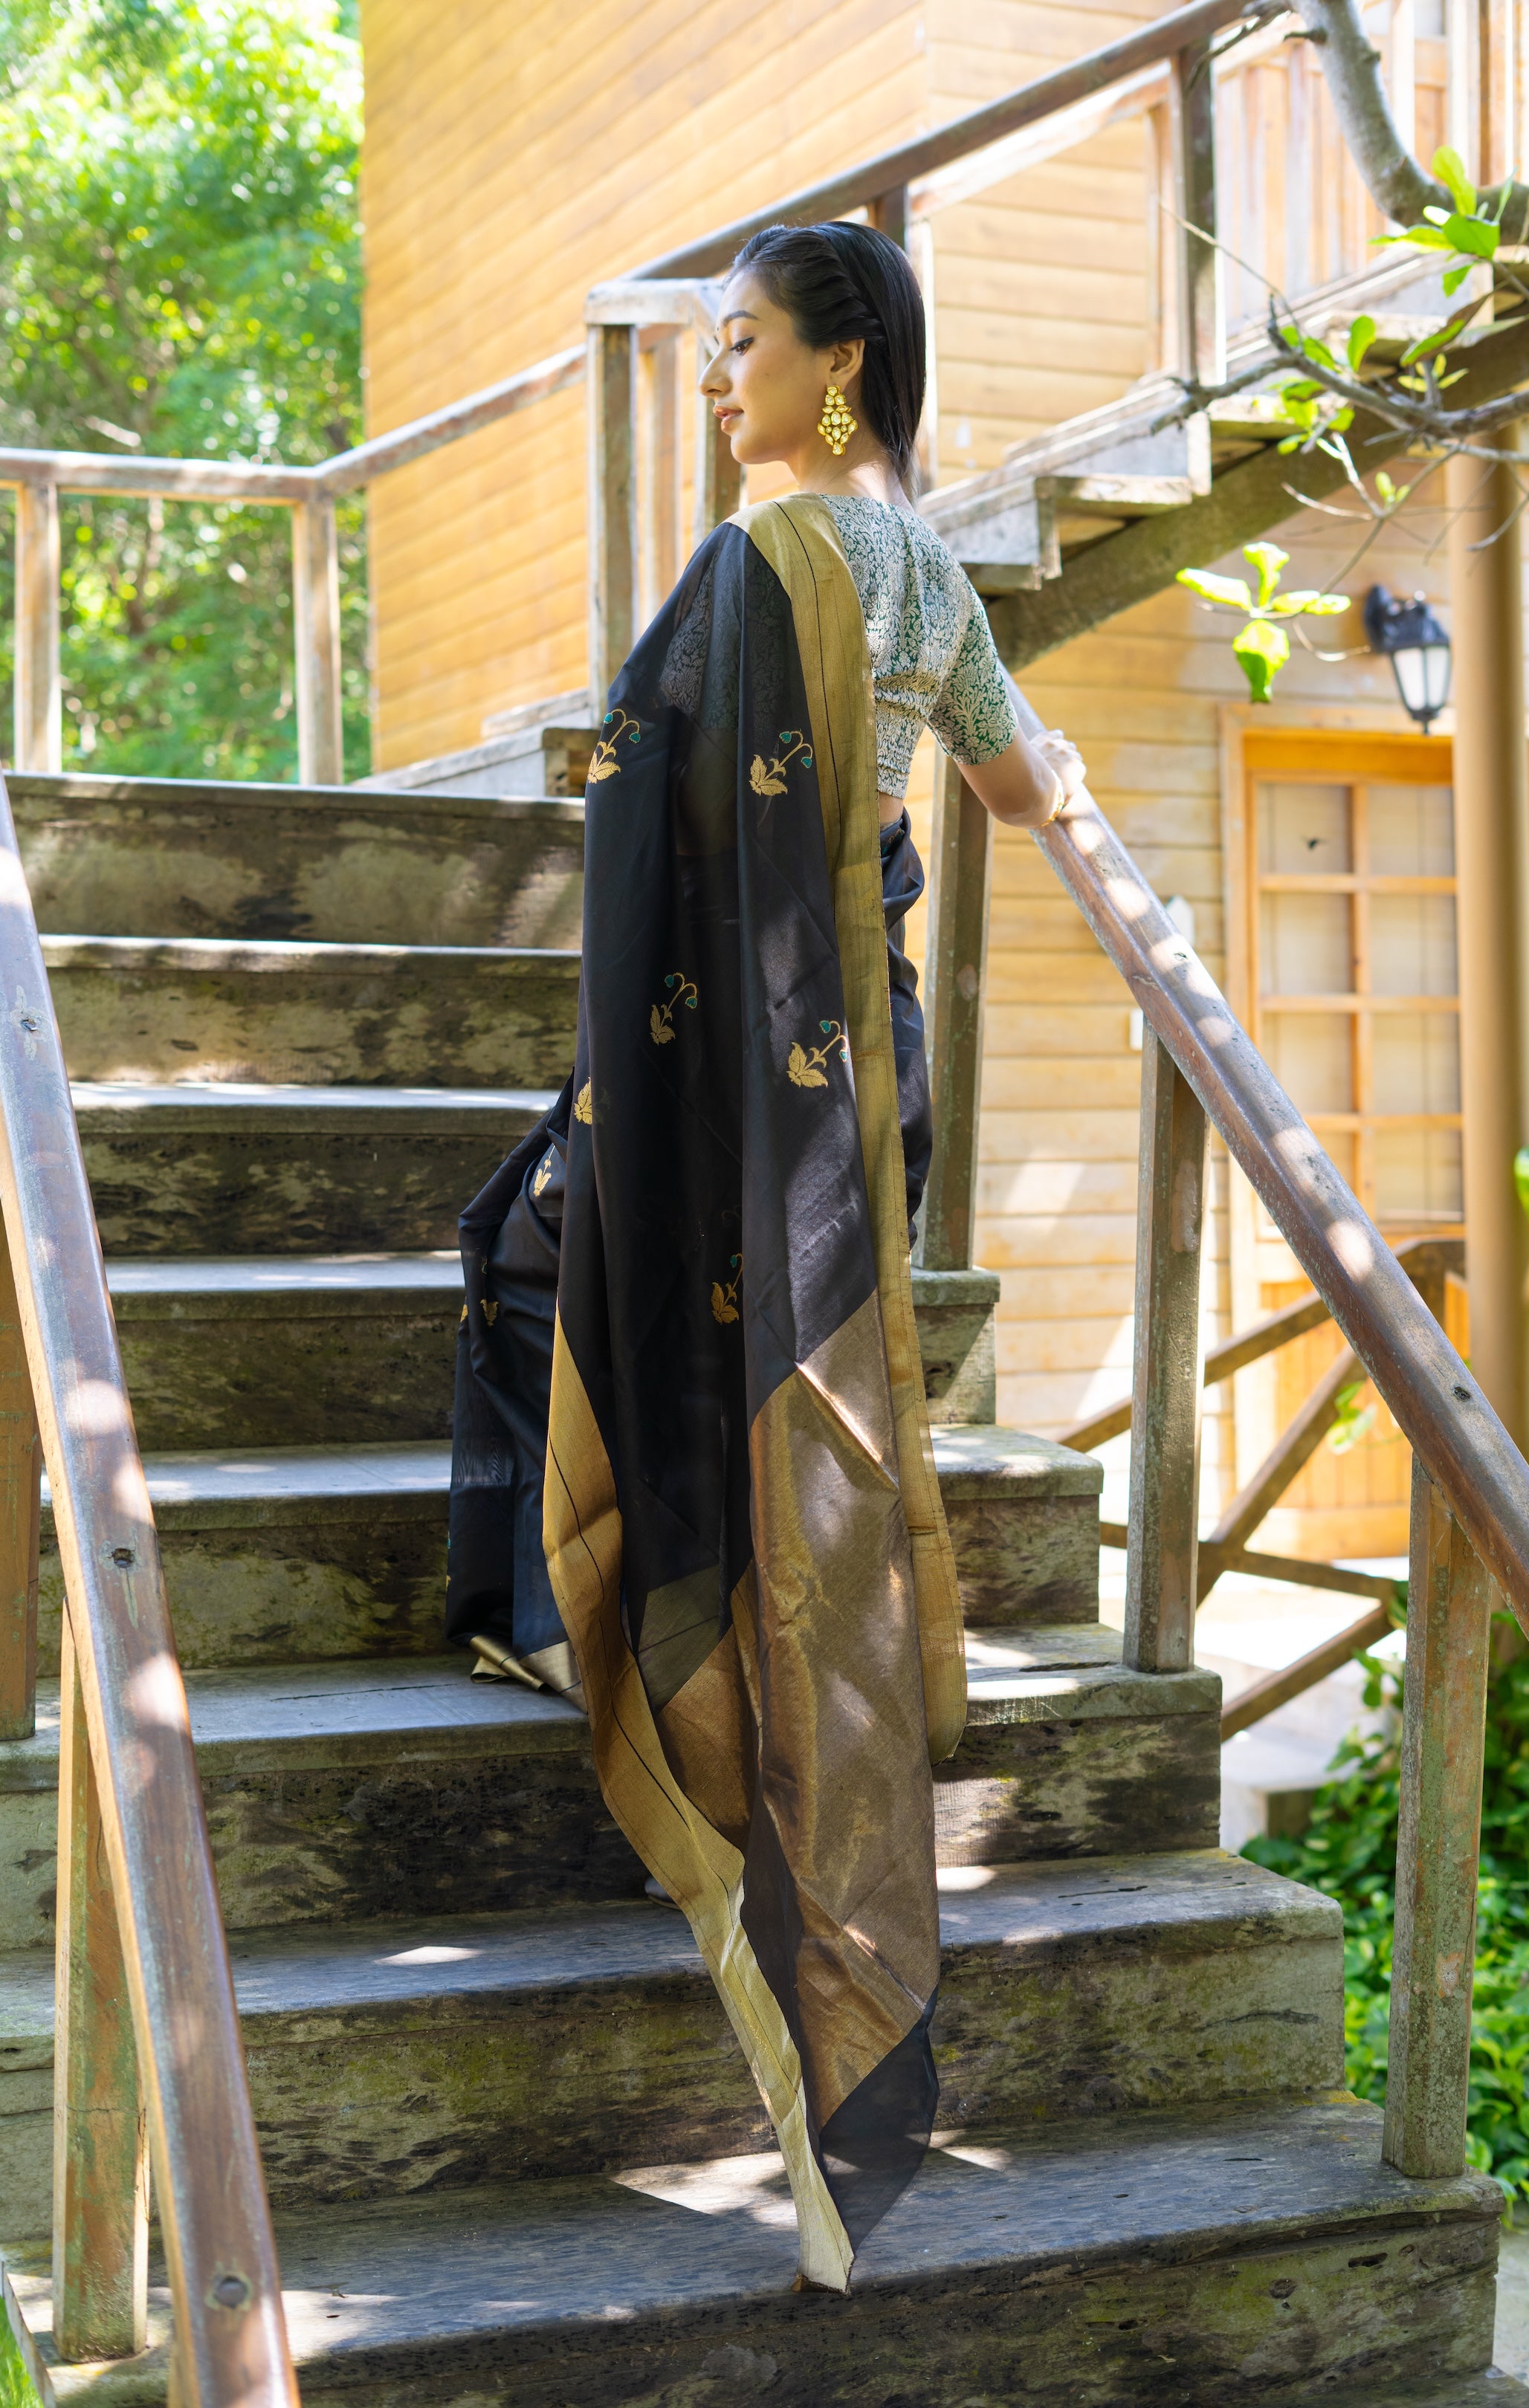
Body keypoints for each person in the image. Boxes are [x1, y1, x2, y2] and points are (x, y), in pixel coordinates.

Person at [446, 220, 1084, 2292]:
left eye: (741, 348)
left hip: (735, 1063)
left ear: (841, 359)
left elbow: (668, 815)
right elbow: (1007, 775)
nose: (718, 381)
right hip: (850, 1058)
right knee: (797, 1416)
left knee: (527, 1249)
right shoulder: (929, 567)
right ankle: (708, 1666)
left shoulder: (760, 565)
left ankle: (593, 1628)